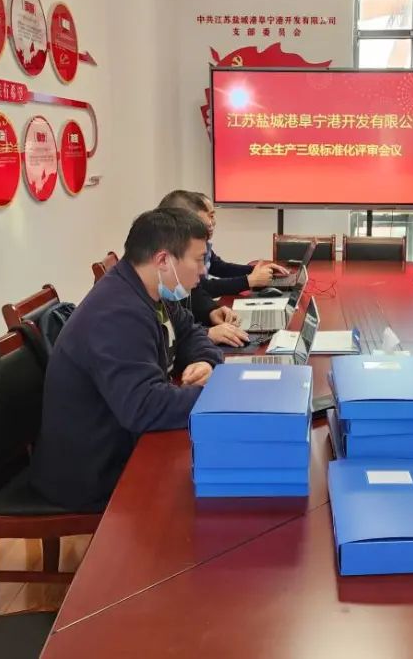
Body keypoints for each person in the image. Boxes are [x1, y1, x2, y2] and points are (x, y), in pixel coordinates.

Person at [30, 208, 224, 511]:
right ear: (163, 260)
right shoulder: (116, 314)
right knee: (213, 489)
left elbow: (191, 331)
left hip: (126, 443)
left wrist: (205, 362)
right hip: (95, 472)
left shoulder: (149, 289)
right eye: (199, 260)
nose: (202, 271)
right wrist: (219, 393)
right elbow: (145, 407)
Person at [157, 190, 249, 347]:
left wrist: (211, 312)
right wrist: (207, 335)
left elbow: (184, 329)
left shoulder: (167, 287)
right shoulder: (131, 306)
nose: (203, 271)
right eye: (197, 260)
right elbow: (164, 346)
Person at [197, 193, 288, 297]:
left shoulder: (203, 244)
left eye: (213, 216)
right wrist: (248, 281)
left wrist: (256, 271)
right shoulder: (187, 250)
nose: (212, 222)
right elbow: (203, 288)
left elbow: (220, 267)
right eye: (210, 216)